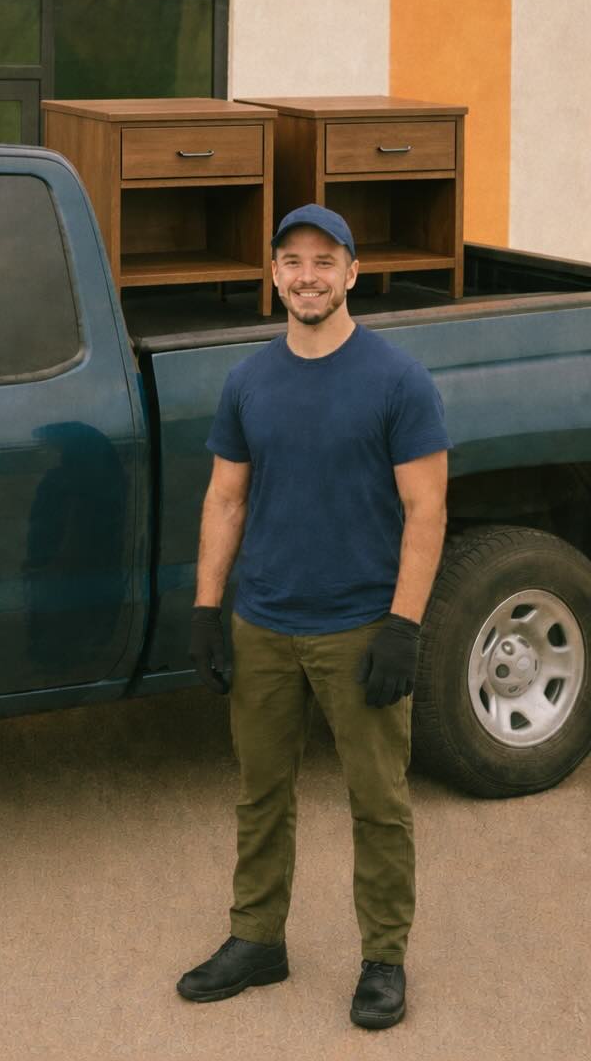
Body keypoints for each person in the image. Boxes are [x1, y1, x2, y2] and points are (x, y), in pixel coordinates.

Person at [178, 204, 449, 1030]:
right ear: (273, 275)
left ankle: (384, 959)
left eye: (324, 261)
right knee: (262, 794)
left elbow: (426, 510)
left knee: (378, 802)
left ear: (352, 273)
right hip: (263, 623)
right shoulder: (249, 380)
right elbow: (226, 497)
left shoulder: (398, 381)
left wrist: (403, 626)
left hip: (361, 626)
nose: (306, 275)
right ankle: (258, 939)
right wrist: (206, 608)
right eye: (291, 261)